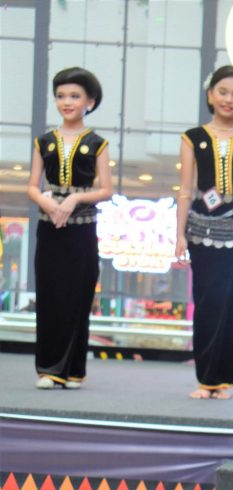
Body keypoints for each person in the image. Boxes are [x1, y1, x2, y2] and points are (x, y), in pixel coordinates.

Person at [176, 65, 233, 399]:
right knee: (206, 301)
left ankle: (224, 379)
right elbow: (186, 190)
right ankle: (206, 379)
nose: (229, 99)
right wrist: (179, 234)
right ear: (211, 94)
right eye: (223, 92)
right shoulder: (192, 138)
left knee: (232, 303)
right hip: (201, 228)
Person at [28, 67, 113, 389]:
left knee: (78, 297)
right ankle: (48, 370)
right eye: (61, 96)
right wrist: (46, 202)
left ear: (89, 102)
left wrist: (74, 198)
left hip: (82, 230)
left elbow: (106, 190)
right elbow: (32, 185)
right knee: (49, 296)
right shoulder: (44, 141)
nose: (67, 102)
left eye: (75, 96)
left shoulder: (97, 143)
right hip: (50, 229)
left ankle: (74, 371)